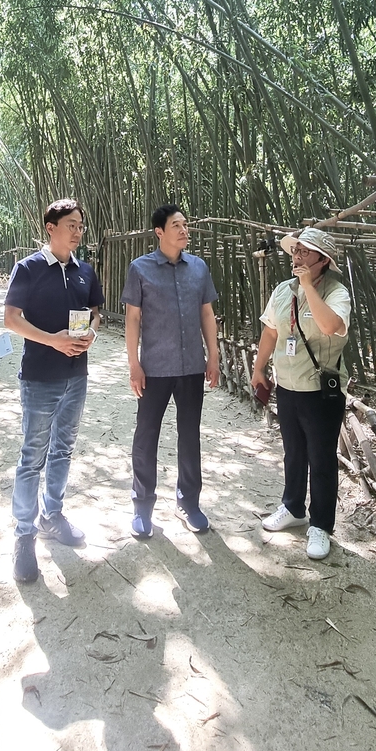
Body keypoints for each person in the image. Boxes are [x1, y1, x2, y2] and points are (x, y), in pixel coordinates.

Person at [5, 199, 104, 583]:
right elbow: (11, 319)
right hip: (40, 377)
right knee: (33, 456)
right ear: (51, 227)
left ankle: (53, 515)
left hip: (76, 375)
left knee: (63, 449)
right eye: (71, 224)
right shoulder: (28, 268)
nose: (78, 231)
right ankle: (24, 535)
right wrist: (52, 340)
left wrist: (92, 331)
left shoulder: (84, 270)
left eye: (81, 225)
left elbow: (95, 310)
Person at [251, 227, 351, 561]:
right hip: (288, 387)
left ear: (323, 260)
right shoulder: (283, 291)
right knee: (293, 453)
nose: (298, 257)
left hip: (320, 392)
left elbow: (329, 326)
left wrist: (309, 286)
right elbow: (271, 331)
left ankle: (321, 525)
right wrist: (259, 367)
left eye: (306, 252)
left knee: (321, 460)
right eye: (296, 251)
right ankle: (293, 507)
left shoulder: (337, 292)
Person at [121, 204, 220, 539]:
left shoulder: (199, 268)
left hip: (191, 365)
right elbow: (132, 319)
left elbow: (207, 314)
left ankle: (189, 502)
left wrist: (214, 355)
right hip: (155, 368)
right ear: (159, 232)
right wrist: (134, 363)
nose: (184, 229)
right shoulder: (140, 269)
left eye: (185, 224)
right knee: (146, 435)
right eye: (176, 225)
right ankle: (142, 506)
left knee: (189, 435)